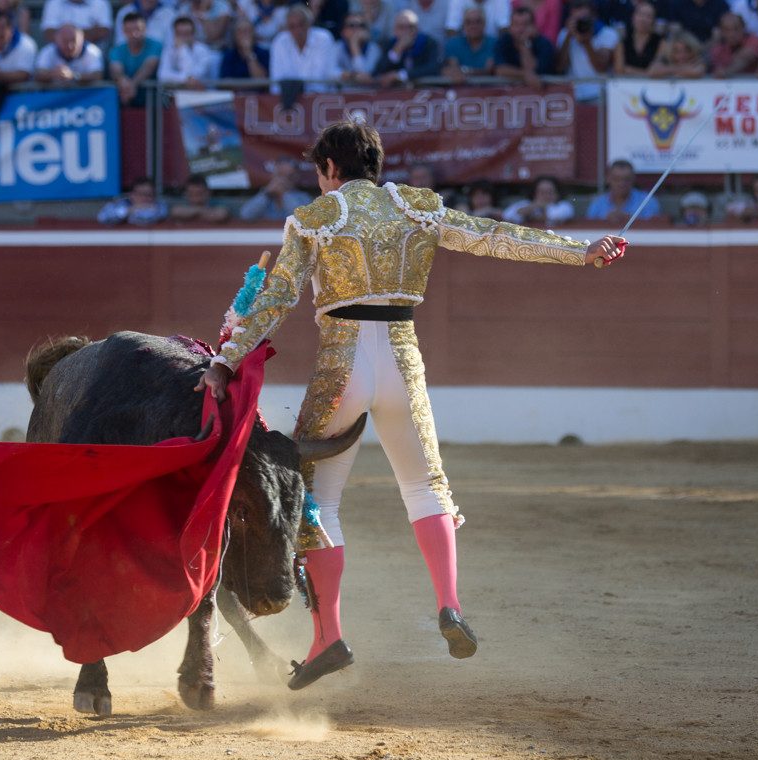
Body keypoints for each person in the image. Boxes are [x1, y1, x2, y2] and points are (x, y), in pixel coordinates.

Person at [194, 119, 626, 690]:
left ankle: (328, 638)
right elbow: (496, 235)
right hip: (402, 358)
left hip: (343, 363)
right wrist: (582, 252)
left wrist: (227, 359)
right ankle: (450, 604)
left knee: (319, 498)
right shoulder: (418, 207)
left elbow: (277, 298)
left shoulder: (314, 217)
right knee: (426, 486)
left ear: (330, 169)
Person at [555, 0, 619, 101]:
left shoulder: (608, 33)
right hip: (573, 95)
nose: (581, 22)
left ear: (594, 16)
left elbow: (601, 69)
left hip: (599, 95)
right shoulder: (564, 34)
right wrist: (568, 37)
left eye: (584, 18)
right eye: (576, 19)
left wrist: (586, 43)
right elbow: (559, 67)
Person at [268, 4, 337, 91]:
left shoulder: (323, 38)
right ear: (287, 28)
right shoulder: (279, 42)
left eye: (301, 25)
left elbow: (325, 75)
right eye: (292, 26)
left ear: (309, 24)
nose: (297, 30)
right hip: (288, 100)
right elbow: (277, 82)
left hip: (321, 99)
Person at [373, 8, 441, 88]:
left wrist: (400, 75)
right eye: (401, 27)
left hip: (423, 93)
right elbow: (378, 74)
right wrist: (397, 50)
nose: (406, 31)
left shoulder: (429, 43)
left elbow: (432, 69)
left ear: (417, 29)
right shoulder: (388, 45)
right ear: (395, 31)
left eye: (410, 27)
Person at [108, 11, 162, 106]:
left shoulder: (156, 46)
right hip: (125, 98)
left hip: (153, 102)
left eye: (138, 29)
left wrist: (132, 85)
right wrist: (124, 82)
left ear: (145, 29)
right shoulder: (117, 50)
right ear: (123, 31)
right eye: (129, 30)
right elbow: (116, 71)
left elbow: (149, 67)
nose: (134, 34)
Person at [494, 4, 555, 87]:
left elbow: (533, 70)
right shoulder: (503, 41)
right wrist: (525, 75)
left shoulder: (544, 44)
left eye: (525, 24)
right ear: (510, 27)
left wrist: (525, 43)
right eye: (516, 24)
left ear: (533, 26)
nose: (521, 29)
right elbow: (500, 70)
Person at [586, 159, 662, 224]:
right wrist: (605, 221)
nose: (621, 183)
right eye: (616, 179)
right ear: (608, 179)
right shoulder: (597, 204)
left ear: (633, 179)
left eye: (626, 179)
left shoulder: (647, 202)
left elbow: (656, 227)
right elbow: (588, 229)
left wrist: (628, 218)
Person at [238, 157, 312, 221]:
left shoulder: (304, 197)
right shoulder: (264, 195)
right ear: (272, 175)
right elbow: (245, 215)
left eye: (289, 176)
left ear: (296, 178)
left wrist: (285, 194)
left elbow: (302, 218)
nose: (283, 180)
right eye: (280, 175)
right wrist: (266, 193)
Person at [35, 22, 104, 83]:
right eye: (65, 41)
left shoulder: (93, 52)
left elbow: (97, 75)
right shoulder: (47, 51)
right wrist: (53, 74)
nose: (69, 46)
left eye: (73, 40)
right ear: (56, 39)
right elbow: (39, 75)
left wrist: (74, 76)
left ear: (82, 39)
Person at [441, 6, 496, 82]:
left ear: (484, 24)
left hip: (490, 90)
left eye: (478, 22)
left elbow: (488, 71)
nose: (473, 26)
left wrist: (465, 71)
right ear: (463, 26)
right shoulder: (453, 44)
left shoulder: (494, 43)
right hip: (461, 90)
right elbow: (454, 70)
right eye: (468, 22)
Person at [157, 15, 213, 87]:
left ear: (193, 35)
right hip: (177, 93)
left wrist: (183, 49)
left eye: (186, 34)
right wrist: (185, 78)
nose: (182, 38)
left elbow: (193, 75)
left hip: (201, 94)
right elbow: (162, 75)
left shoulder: (203, 51)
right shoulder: (169, 50)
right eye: (179, 34)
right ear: (174, 35)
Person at [613, 0, 663, 75]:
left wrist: (628, 70)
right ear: (633, 17)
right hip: (624, 85)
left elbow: (656, 71)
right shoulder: (622, 42)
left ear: (653, 20)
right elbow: (618, 70)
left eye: (648, 16)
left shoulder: (661, 42)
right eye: (640, 14)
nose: (643, 19)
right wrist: (646, 72)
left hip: (653, 85)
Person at [503, 175, 575, 226]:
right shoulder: (527, 203)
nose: (546, 196)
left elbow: (554, 216)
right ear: (534, 193)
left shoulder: (564, 206)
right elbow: (508, 214)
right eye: (542, 192)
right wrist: (535, 206)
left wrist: (532, 215)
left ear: (558, 194)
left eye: (550, 192)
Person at [709, 10, 758, 77]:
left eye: (736, 29)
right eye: (726, 30)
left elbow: (746, 58)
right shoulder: (717, 51)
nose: (732, 34)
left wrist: (727, 71)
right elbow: (718, 71)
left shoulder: (754, 39)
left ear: (743, 28)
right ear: (721, 32)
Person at [98, 176, 169, 225]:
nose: (144, 197)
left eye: (149, 194)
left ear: (154, 196)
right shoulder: (122, 204)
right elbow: (103, 217)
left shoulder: (160, 205)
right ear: (131, 195)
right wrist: (128, 210)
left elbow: (147, 219)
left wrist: (136, 210)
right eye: (140, 194)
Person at [39, 0, 112, 47]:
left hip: (94, 56)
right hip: (59, 58)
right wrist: (92, 31)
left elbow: (102, 33)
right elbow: (50, 35)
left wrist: (65, 35)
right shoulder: (53, 3)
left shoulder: (101, 3)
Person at [335, 11, 381, 84]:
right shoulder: (338, 46)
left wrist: (354, 44)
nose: (356, 29)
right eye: (351, 25)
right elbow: (330, 72)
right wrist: (352, 75)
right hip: (343, 92)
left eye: (361, 25)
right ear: (343, 31)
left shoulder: (374, 49)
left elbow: (365, 74)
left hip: (367, 92)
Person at [662, 0, 730, 43]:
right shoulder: (677, 4)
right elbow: (674, 30)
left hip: (711, 48)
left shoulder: (721, 5)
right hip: (684, 47)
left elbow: (718, 35)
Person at [444, 0, 512, 39]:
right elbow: (452, 29)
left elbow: (505, 29)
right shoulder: (457, 1)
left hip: (493, 49)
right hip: (464, 49)